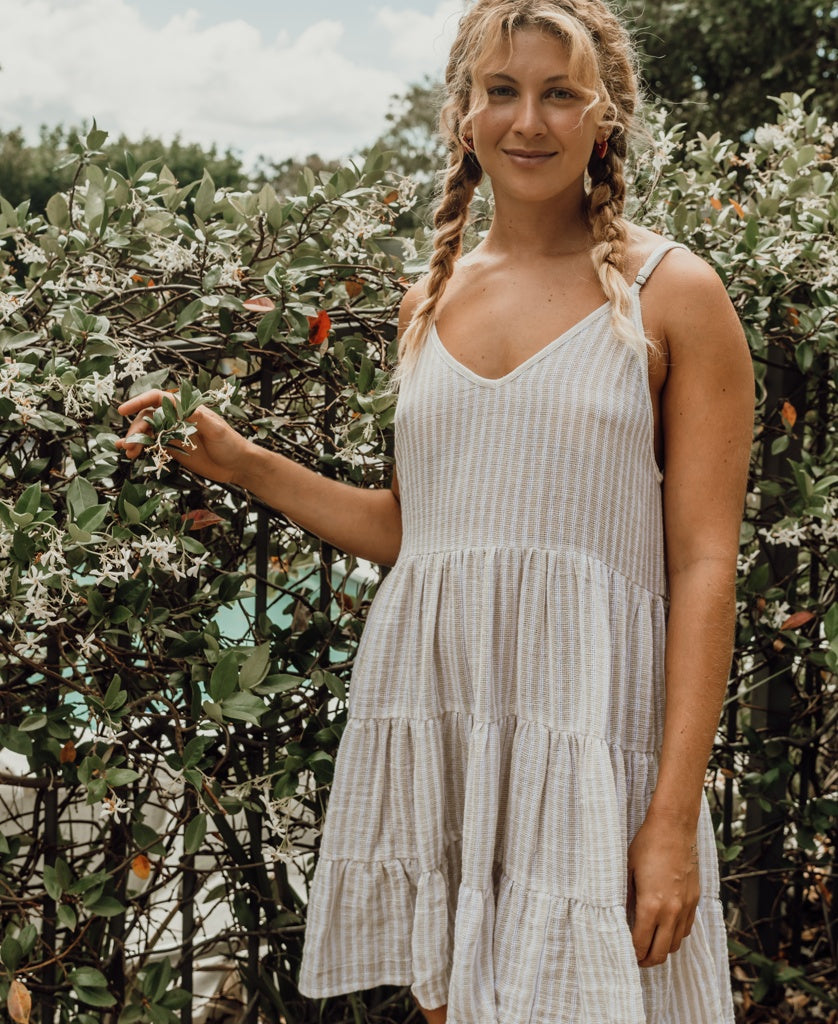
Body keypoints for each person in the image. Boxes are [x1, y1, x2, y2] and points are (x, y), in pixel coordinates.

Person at [117, 0, 755, 1020]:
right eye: (500, 91)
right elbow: (425, 535)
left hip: (589, 740)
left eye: (558, 94)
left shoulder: (674, 293)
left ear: (606, 115)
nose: (528, 122)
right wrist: (243, 464)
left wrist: (671, 816)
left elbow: (702, 565)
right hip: (449, 728)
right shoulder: (432, 297)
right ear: (463, 112)